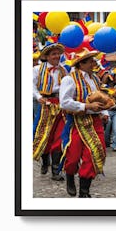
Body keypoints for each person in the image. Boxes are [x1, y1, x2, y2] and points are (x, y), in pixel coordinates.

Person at [59, 48, 110, 198]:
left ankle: (84, 191)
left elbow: (101, 98)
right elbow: (64, 102)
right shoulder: (69, 79)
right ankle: (69, 176)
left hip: (95, 122)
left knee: (94, 154)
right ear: (81, 64)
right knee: (73, 156)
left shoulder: (95, 79)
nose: (94, 63)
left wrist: (105, 112)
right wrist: (86, 107)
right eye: (91, 60)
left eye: (94, 60)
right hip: (76, 121)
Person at [33, 42, 67, 181]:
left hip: (60, 104)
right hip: (45, 104)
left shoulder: (64, 70)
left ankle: (55, 170)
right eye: (53, 54)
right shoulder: (37, 69)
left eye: (58, 54)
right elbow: (30, 85)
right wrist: (39, 97)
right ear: (46, 56)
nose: (57, 56)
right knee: (44, 135)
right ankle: (45, 160)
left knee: (59, 136)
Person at [101, 67, 116, 151]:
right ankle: (106, 143)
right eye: (114, 76)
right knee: (107, 129)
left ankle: (115, 145)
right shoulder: (104, 87)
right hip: (108, 111)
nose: (115, 78)